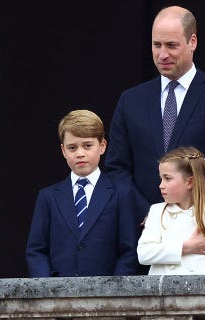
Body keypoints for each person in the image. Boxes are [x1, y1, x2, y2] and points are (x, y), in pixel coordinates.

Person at [106, 5, 205, 255]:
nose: (162, 54)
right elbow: (117, 168)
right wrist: (152, 213)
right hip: (145, 233)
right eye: (156, 45)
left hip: (202, 234)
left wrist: (188, 213)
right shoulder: (131, 101)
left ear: (193, 41)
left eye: (171, 45)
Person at [26, 110, 139, 277]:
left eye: (87, 146)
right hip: (57, 294)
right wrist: (47, 289)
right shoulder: (48, 197)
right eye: (72, 147)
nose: (80, 153)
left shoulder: (121, 194)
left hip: (107, 294)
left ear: (102, 146)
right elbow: (36, 250)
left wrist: (114, 292)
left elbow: (129, 251)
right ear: (63, 151)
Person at [137, 146, 205, 275]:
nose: (161, 185)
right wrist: (185, 248)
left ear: (190, 182)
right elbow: (143, 254)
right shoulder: (157, 212)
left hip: (204, 294)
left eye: (167, 178)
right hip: (164, 294)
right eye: (161, 179)